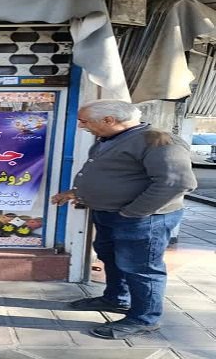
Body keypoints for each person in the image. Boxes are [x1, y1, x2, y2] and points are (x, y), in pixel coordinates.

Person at [51, 99, 197, 340]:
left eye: (85, 121)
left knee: (141, 268)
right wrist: (78, 192)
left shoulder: (158, 141)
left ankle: (144, 319)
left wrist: (133, 213)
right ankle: (116, 298)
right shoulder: (109, 139)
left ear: (109, 120)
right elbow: (115, 175)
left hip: (143, 219)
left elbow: (177, 183)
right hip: (110, 214)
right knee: (111, 258)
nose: (81, 126)